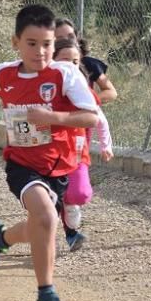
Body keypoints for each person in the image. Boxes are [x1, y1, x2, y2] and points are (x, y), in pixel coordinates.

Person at [0, 4, 99, 301]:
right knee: (46, 217)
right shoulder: (4, 74)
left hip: (58, 166)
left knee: (39, 226)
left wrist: (53, 117)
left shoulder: (64, 74)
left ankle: (0, 238)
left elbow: (91, 116)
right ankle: (47, 296)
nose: (41, 52)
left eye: (47, 44)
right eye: (32, 43)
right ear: (16, 42)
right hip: (21, 165)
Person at [53, 37, 113, 251]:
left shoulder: (83, 88)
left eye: (75, 61)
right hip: (47, 155)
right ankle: (54, 238)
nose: (70, 66)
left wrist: (106, 145)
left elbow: (100, 117)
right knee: (49, 201)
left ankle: (69, 213)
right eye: (64, 60)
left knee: (79, 193)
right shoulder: (42, 85)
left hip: (76, 152)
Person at [54, 17, 117, 104]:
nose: (67, 41)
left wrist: (87, 101)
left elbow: (111, 92)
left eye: (71, 37)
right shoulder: (47, 66)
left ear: (77, 39)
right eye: (60, 39)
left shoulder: (87, 63)